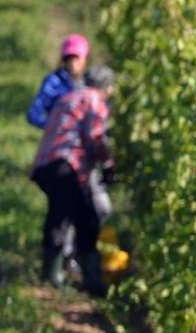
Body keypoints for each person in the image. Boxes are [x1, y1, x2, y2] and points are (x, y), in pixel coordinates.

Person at [30, 66, 116, 297]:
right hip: (67, 165)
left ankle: (75, 275)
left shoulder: (68, 97)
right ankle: (57, 277)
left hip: (45, 165)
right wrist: (107, 164)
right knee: (69, 218)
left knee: (75, 214)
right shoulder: (95, 99)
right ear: (106, 88)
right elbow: (95, 136)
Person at [27, 34, 88, 129]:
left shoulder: (88, 84)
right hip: (57, 142)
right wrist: (54, 128)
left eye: (76, 59)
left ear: (84, 60)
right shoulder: (53, 82)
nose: (72, 64)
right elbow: (34, 114)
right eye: (69, 59)